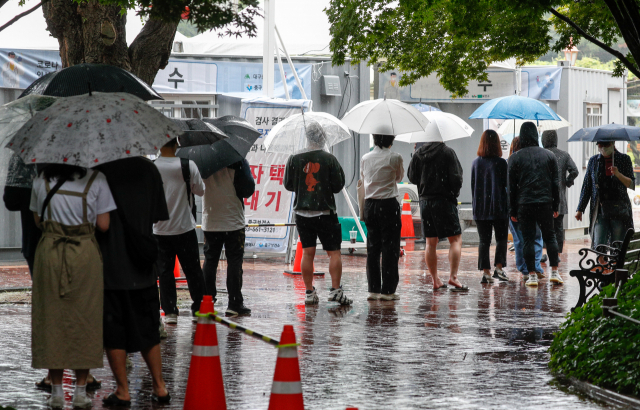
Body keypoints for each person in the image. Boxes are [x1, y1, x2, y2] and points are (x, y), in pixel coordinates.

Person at [30, 164, 116, 409]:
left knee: (51, 318)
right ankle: (80, 390)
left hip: (50, 252)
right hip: (84, 253)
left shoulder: (40, 180)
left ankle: (56, 391)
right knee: (85, 318)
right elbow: (104, 224)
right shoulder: (97, 179)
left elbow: (38, 220)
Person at [96, 157, 171, 406]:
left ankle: (122, 390)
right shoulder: (148, 168)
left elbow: (97, 221)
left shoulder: (98, 171)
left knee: (114, 331)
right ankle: (160, 387)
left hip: (110, 267)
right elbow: (159, 215)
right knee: (149, 329)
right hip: (143, 266)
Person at [284, 121, 352, 305]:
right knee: (334, 253)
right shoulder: (329, 159)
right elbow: (338, 186)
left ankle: (309, 293)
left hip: (302, 213)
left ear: (307, 137)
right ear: (323, 138)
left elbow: (288, 184)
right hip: (325, 213)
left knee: (307, 253)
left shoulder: (294, 158)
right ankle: (335, 291)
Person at [154, 138, 207, 324]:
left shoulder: (152, 167)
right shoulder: (188, 165)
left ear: (159, 145)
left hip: (159, 229)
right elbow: (200, 191)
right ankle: (199, 307)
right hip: (185, 228)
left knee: (165, 272)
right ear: (177, 145)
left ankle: (169, 312)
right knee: (192, 270)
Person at [408, 138, 466, 291]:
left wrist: (415, 155)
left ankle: (435, 280)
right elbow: (457, 178)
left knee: (430, 242)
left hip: (426, 202)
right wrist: (453, 192)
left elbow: (412, 177)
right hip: (445, 201)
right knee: (455, 240)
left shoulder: (419, 154)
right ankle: (453, 277)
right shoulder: (448, 152)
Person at [508, 122, 561, 286]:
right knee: (550, 237)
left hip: (525, 204)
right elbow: (555, 183)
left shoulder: (514, 158)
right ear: (535, 136)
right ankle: (555, 271)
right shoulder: (549, 156)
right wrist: (555, 205)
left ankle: (531, 274)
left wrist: (513, 210)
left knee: (528, 240)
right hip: (545, 202)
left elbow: (511, 187)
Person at [202, 159, 255, 316]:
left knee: (210, 260)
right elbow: (248, 189)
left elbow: (196, 188)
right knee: (234, 262)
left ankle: (207, 301)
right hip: (233, 221)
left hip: (210, 219)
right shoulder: (237, 160)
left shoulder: (203, 162)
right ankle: (234, 304)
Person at [360, 134, 404, 300]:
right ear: (390, 140)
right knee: (390, 248)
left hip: (370, 205)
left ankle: (373, 289)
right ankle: (388, 291)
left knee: (372, 247)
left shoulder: (365, 157)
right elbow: (398, 178)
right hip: (388, 205)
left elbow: (364, 178)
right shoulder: (395, 157)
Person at [576, 141, 634, 248]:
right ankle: (602, 263)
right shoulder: (594, 161)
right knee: (599, 245)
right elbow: (587, 186)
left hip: (619, 210)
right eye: (600, 145)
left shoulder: (624, 159)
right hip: (599, 209)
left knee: (618, 246)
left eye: (606, 145)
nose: (603, 148)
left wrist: (618, 174)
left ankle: (615, 264)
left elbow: (631, 184)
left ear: (612, 143)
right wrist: (580, 209)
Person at [471, 130, 509, 284]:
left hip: (481, 208)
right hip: (499, 207)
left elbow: (473, 186)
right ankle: (499, 268)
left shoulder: (476, 163)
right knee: (501, 239)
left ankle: (486, 272)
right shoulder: (501, 163)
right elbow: (506, 186)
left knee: (484, 241)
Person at [508, 137, 545, 280]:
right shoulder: (534, 162)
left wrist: (512, 208)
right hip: (534, 204)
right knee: (536, 237)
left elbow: (508, 189)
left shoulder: (510, 162)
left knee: (519, 239)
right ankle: (535, 266)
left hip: (516, 207)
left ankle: (524, 269)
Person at [541, 130, 579, 253]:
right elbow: (574, 170)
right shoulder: (564, 155)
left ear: (543, 140)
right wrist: (567, 182)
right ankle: (556, 254)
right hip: (560, 199)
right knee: (558, 228)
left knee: (544, 228)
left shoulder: (541, 154)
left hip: (543, 199)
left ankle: (544, 253)